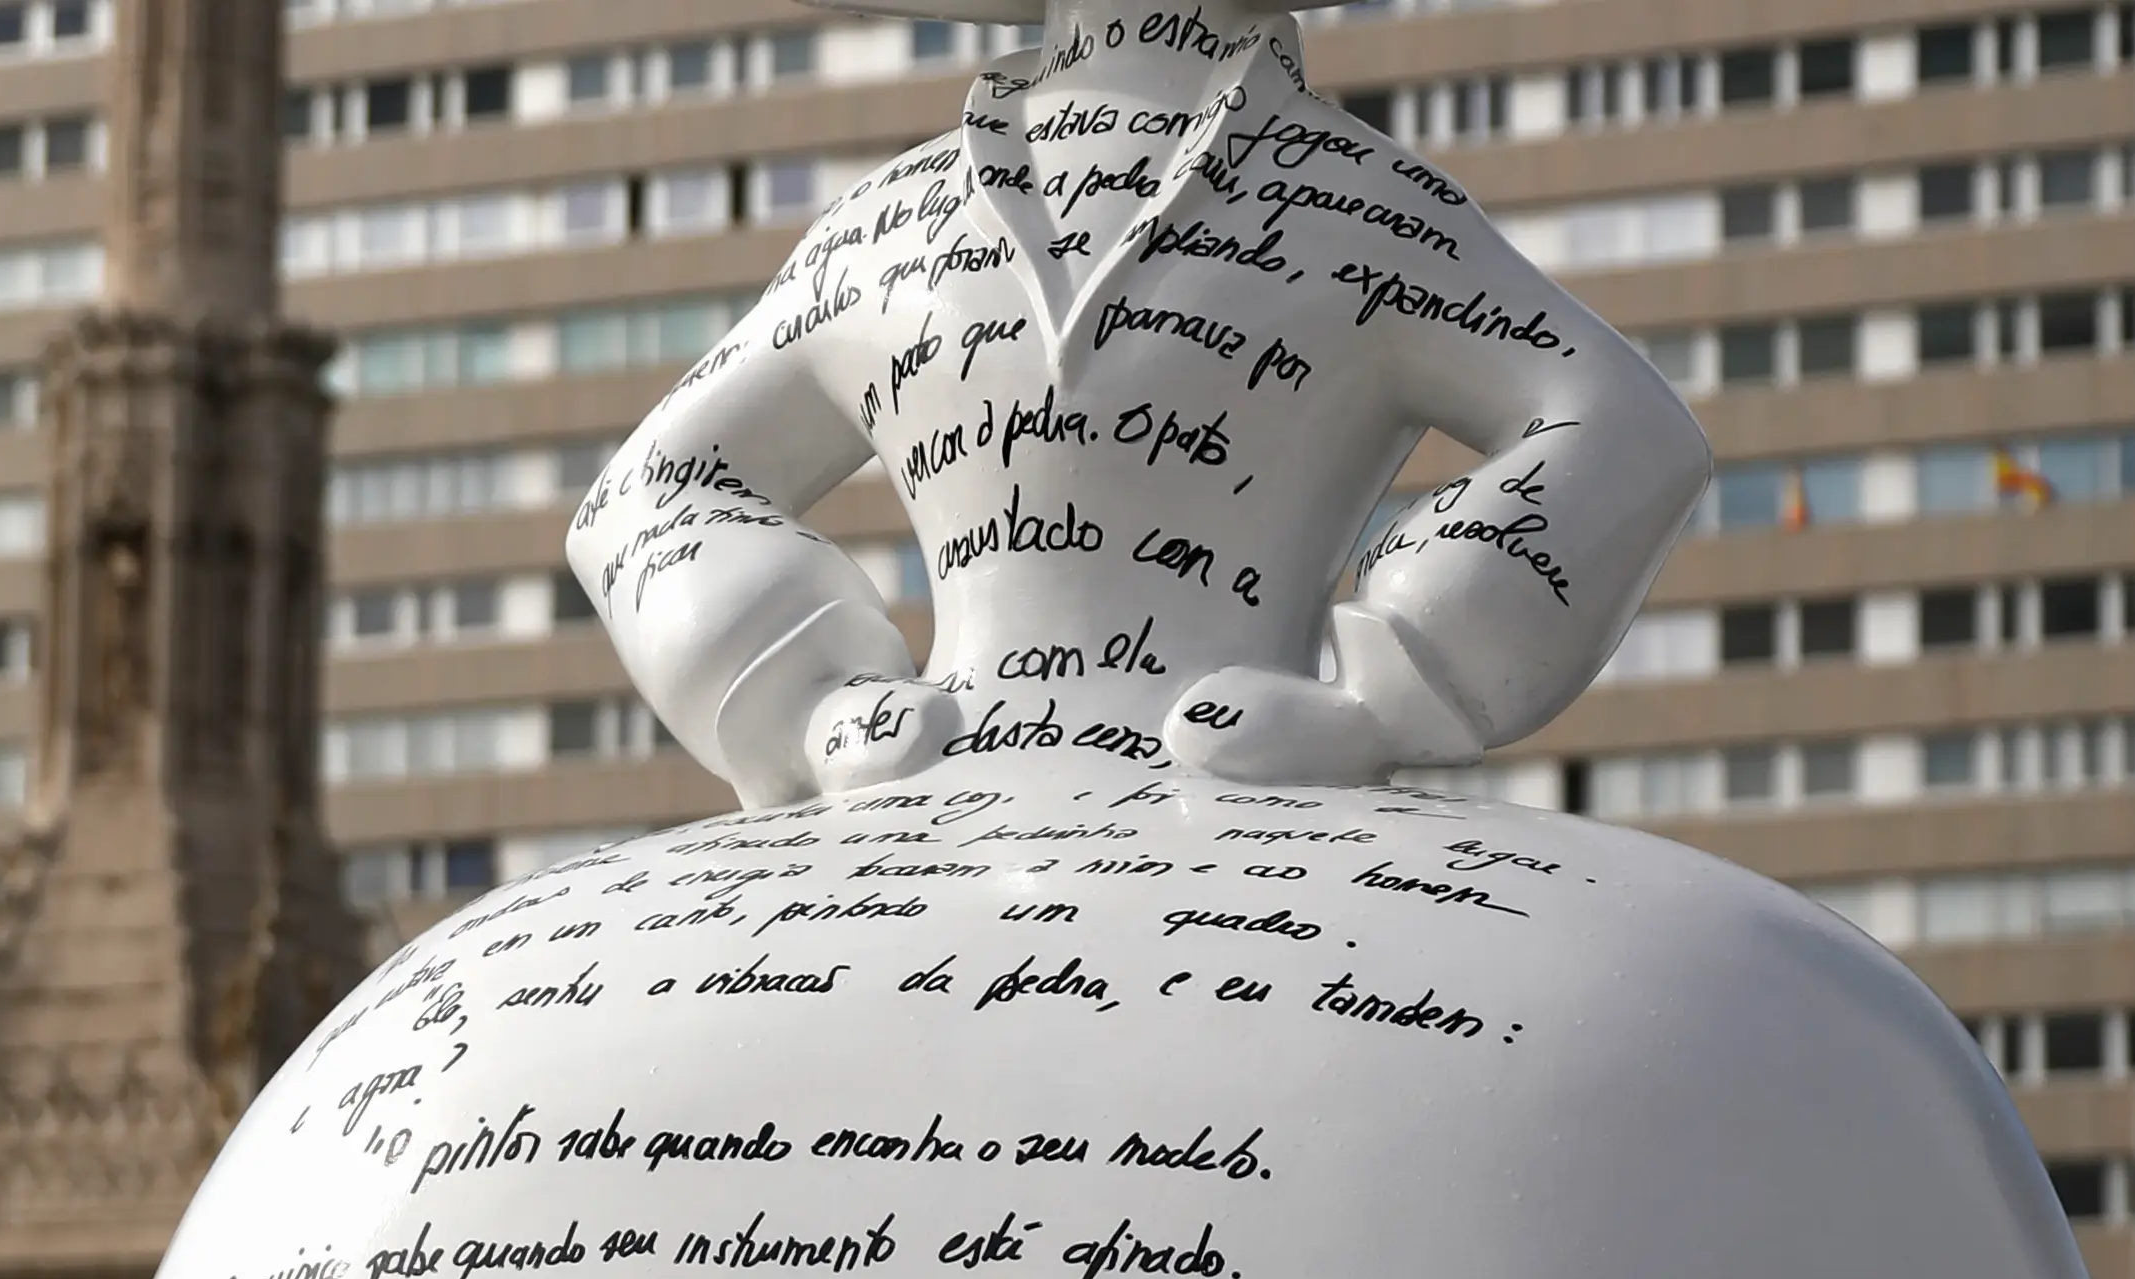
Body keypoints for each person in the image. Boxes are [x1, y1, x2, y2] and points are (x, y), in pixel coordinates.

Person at [565, 0, 1714, 805]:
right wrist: (810, 710)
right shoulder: (891, 224)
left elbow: (1622, 427)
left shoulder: (1359, 201)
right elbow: (642, 493)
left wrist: (1386, 702)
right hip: (933, 777)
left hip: (1243, 784)